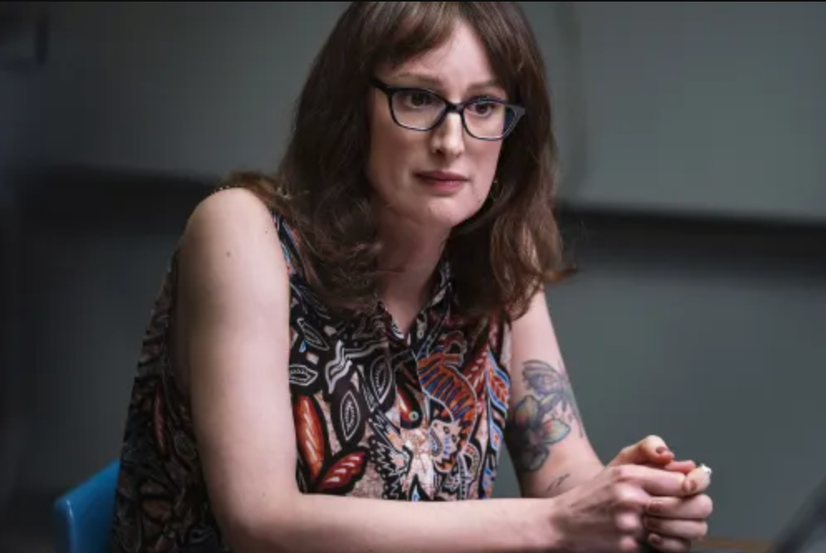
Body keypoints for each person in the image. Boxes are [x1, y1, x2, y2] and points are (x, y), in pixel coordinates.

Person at [110, 2, 713, 553]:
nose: (452, 141)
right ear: (354, 109)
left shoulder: (500, 256)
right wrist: (556, 524)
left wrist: (632, 501)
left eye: (483, 106)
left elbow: (560, 470)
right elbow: (261, 521)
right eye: (419, 99)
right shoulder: (243, 234)